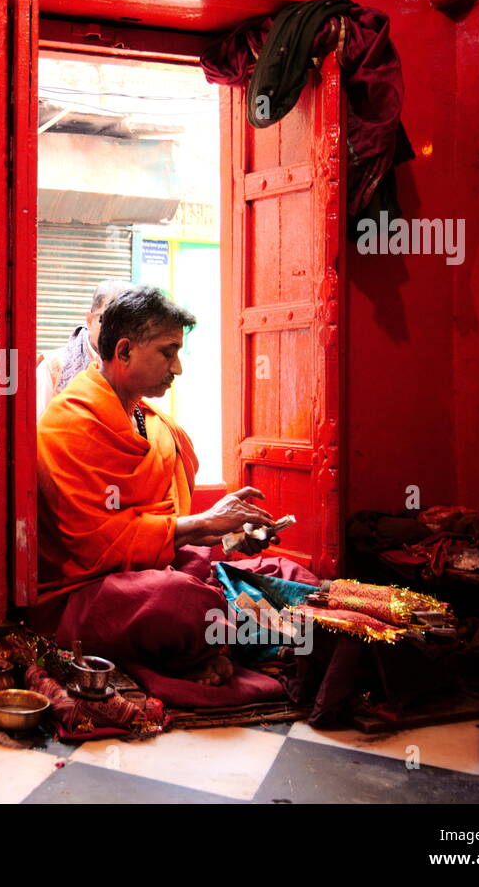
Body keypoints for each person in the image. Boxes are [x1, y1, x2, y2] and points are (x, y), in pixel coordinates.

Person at [33, 284, 321, 706]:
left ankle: (222, 641)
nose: (178, 368)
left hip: (152, 566)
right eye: (168, 352)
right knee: (181, 603)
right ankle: (232, 640)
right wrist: (201, 523)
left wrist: (226, 533)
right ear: (125, 351)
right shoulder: (70, 422)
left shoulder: (151, 420)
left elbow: (163, 526)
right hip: (83, 593)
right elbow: (95, 543)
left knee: (290, 575)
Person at [35, 278, 133, 419]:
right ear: (89, 320)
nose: (119, 331)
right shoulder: (53, 367)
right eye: (109, 320)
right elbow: (38, 431)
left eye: (129, 324)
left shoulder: (138, 367)